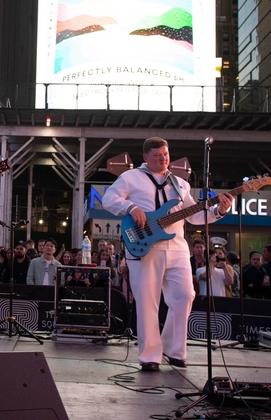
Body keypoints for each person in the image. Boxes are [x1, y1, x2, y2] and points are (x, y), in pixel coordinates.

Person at [100, 137, 233, 372]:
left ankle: (174, 349)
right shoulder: (131, 178)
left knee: (185, 295)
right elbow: (109, 199)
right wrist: (132, 207)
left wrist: (219, 210)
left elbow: (195, 215)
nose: (163, 159)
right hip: (145, 246)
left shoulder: (180, 184)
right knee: (148, 302)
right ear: (146, 157)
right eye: (157, 155)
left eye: (166, 154)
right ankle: (150, 356)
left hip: (177, 247)